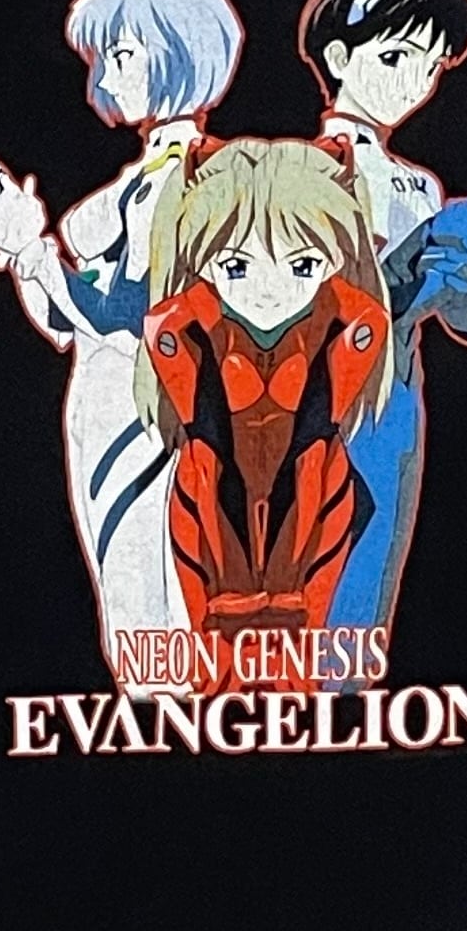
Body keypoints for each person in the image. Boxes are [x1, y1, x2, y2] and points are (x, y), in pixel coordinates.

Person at [0, 0, 242, 684]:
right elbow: (70, 322)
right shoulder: (139, 179)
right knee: (124, 589)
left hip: (156, 410)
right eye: (102, 57)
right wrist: (24, 254)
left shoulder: (197, 181)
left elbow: (128, 312)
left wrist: (34, 251)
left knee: (157, 590)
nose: (107, 75)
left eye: (124, 53)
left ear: (180, 53)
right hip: (104, 405)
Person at [293, 0, 467, 656]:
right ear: (338, 59)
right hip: (310, 394)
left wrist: (465, 274)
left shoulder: (419, 186)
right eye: (393, 58)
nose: (411, 82)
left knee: (373, 559)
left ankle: (347, 686)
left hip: (393, 402)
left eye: (429, 66)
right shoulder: (298, 171)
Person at [135, 137, 394, 685]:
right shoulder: (197, 332)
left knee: (302, 654)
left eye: (302, 264)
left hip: (315, 497)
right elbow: (164, 331)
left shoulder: (336, 325)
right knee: (212, 656)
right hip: (209, 501)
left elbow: (367, 322)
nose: (270, 292)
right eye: (237, 265)